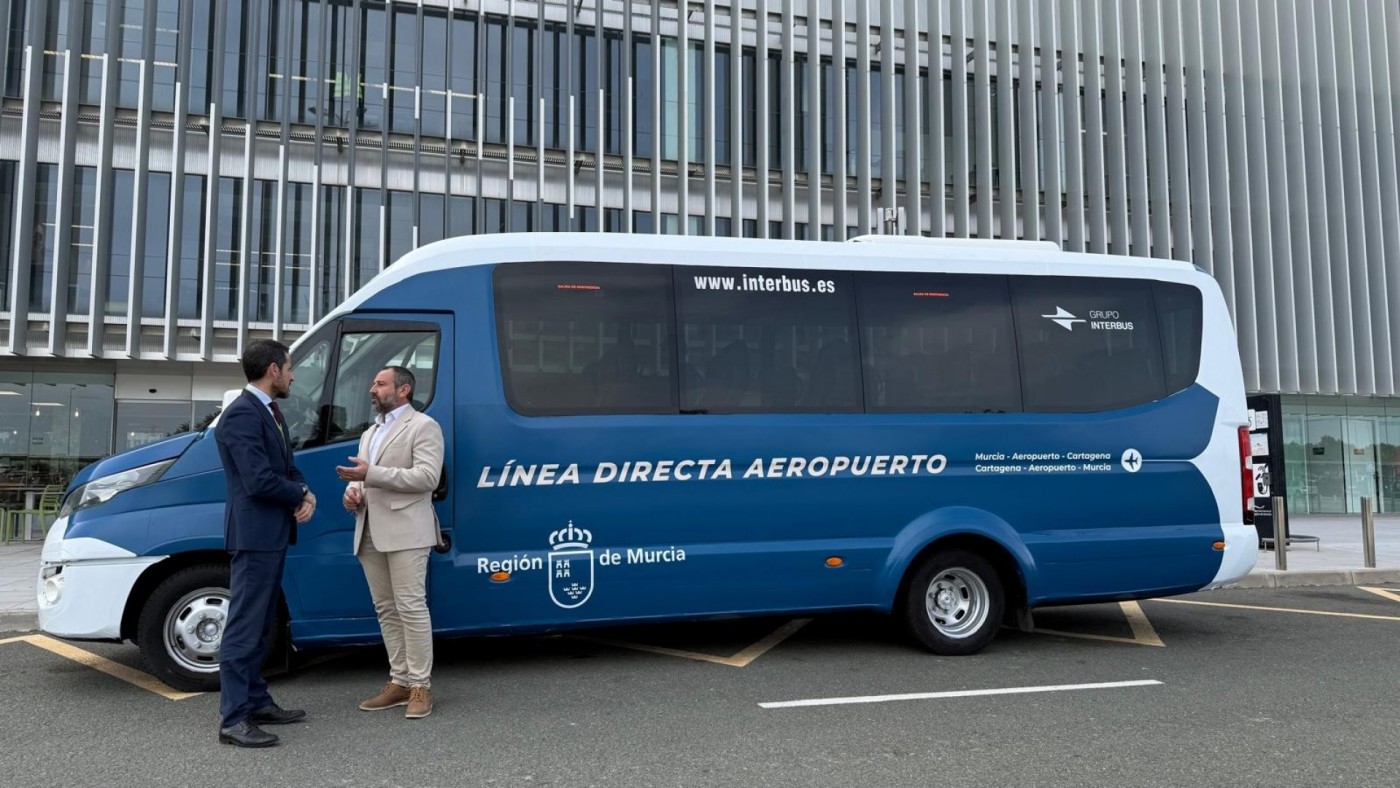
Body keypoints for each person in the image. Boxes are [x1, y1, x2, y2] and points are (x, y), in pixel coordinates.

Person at [214, 339, 316, 748]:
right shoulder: (241, 415)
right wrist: (299, 497)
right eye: (290, 368)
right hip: (254, 537)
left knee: (259, 626)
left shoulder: (269, 412)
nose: (293, 376)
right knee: (243, 628)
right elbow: (257, 480)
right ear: (273, 370)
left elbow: (286, 468)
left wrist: (303, 490)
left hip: (270, 536)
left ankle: (256, 700)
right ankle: (233, 719)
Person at [337, 366, 445, 719]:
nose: (372, 388)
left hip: (407, 531)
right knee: (386, 609)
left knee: (411, 608)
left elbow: (427, 477)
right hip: (369, 528)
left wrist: (371, 475)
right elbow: (364, 482)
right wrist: (352, 493)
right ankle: (399, 681)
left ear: (404, 390)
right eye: (373, 382)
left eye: (380, 383)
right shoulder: (371, 432)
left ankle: (420, 687)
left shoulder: (424, 426)